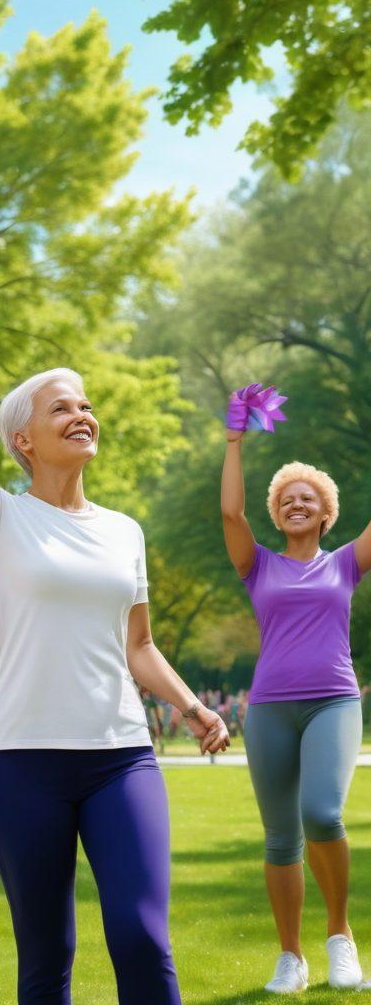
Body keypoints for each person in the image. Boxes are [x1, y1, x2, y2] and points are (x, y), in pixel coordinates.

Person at [0, 294, 229, 1005]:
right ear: (22, 439)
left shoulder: (125, 530)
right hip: (22, 765)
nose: (82, 414)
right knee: (47, 960)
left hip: (120, 757)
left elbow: (138, 644)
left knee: (142, 937)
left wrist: (187, 705)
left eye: (85, 405)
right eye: (61, 407)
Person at [222, 390, 371, 993]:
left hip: (333, 701)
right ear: (277, 515)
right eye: (287, 500)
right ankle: (292, 956)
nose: (298, 503)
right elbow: (233, 516)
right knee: (281, 834)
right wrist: (234, 442)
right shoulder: (257, 564)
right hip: (271, 712)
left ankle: (340, 935)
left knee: (322, 813)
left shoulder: (346, 564)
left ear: (326, 512)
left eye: (308, 497)